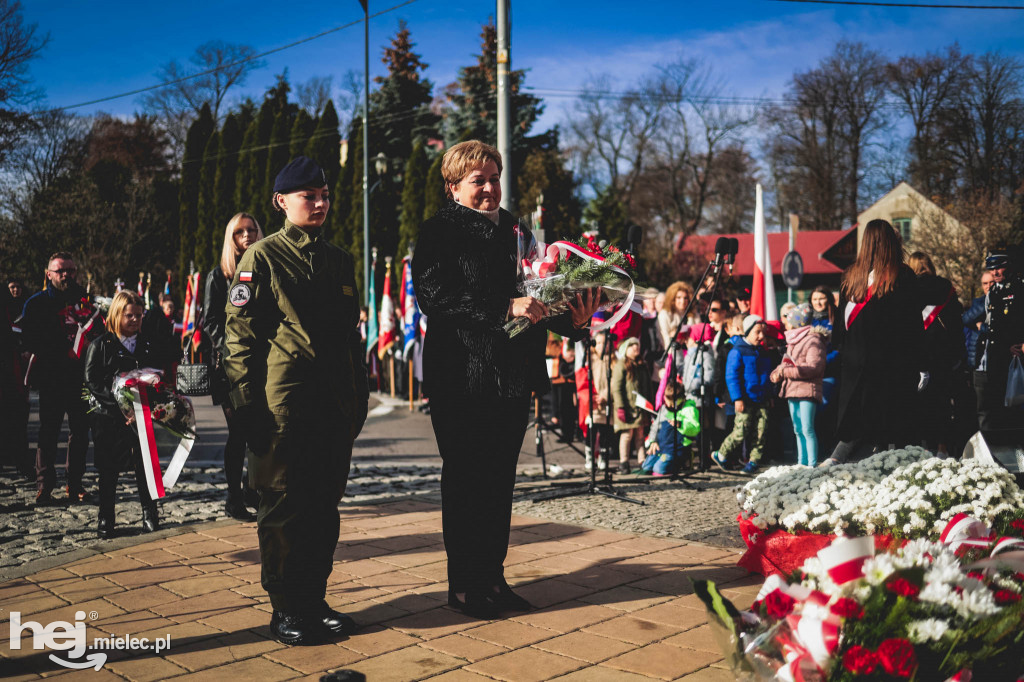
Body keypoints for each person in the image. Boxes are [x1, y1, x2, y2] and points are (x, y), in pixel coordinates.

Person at [412, 140, 598, 620]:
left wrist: (573, 318)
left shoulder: (518, 229)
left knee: (498, 483)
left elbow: (537, 295)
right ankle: (465, 587)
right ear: (454, 187)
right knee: (467, 482)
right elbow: (435, 297)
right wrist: (502, 308)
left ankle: (493, 579)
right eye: (479, 181)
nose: (490, 188)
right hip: (463, 377)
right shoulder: (438, 231)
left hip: (512, 376)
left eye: (494, 178)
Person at [224, 156, 369, 645]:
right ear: (282, 201)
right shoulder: (261, 258)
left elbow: (353, 337)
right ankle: (285, 607)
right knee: (283, 507)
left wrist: (359, 396)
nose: (321, 203)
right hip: (282, 403)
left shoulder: (340, 260)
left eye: (325, 194)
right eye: (310, 196)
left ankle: (313, 598)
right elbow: (239, 339)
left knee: (324, 506)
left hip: (333, 404)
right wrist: (246, 407)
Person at [822, 219, 925, 466]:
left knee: (856, 417)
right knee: (890, 423)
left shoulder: (850, 276)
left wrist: (844, 352)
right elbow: (911, 325)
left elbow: (840, 324)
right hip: (890, 363)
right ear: (891, 241)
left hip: (854, 360)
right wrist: (921, 363)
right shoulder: (902, 275)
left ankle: (838, 460)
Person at [20, 252, 102, 506]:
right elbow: (27, 341)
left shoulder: (88, 302)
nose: (66, 275)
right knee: (48, 433)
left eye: (70, 270)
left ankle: (74, 484)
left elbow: (99, 336)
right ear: (48, 274)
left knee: (80, 433)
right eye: (60, 271)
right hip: (52, 378)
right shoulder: (35, 304)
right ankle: (44, 486)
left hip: (81, 378)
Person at [83, 292, 165, 538]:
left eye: (139, 315)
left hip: (141, 416)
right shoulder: (100, 345)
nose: (134, 320)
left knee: (145, 466)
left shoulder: (148, 343)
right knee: (108, 470)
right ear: (117, 314)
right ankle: (106, 518)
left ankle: (150, 514)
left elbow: (158, 375)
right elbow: (91, 381)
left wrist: (156, 402)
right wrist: (120, 406)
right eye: (129, 315)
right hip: (108, 416)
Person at [204, 213, 264, 520]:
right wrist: (234, 351)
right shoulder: (219, 276)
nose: (247, 235)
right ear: (231, 237)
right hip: (229, 369)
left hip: (263, 365)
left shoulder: (265, 270)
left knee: (260, 431)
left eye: (252, 229)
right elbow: (210, 322)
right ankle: (234, 498)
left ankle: (253, 488)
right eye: (240, 231)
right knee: (238, 432)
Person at [909, 251, 968, 455]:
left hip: (918, 355)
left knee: (921, 404)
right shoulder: (946, 288)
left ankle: (925, 447)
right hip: (944, 354)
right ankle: (943, 447)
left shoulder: (909, 288)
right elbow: (957, 322)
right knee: (943, 403)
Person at [971, 244, 1024, 443]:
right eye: (991, 268)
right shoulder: (993, 292)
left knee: (1015, 413)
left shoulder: (1020, 287)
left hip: (1016, 360)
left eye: (999, 267)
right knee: (995, 411)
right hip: (997, 359)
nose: (994, 272)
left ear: (1008, 265)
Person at [712, 315, 773, 474]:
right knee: (741, 431)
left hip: (762, 399)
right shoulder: (737, 351)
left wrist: (770, 394)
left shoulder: (763, 352)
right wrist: (737, 398)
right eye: (757, 332)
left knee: (761, 431)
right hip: (745, 399)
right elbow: (732, 376)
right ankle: (722, 454)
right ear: (747, 331)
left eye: (763, 333)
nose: (761, 336)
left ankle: (753, 461)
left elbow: (767, 375)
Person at [771, 304, 827, 467]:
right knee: (797, 430)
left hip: (807, 391)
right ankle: (800, 463)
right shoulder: (793, 341)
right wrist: (776, 373)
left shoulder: (814, 340)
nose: (785, 323)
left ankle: (811, 464)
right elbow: (786, 363)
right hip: (792, 390)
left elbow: (814, 368)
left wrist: (786, 372)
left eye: (789, 319)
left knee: (807, 429)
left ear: (797, 322)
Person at [611, 336, 653, 474]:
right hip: (627, 407)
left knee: (640, 435)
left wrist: (650, 404)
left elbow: (648, 386)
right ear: (625, 349)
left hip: (640, 407)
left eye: (637, 345)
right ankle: (624, 462)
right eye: (632, 345)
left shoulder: (642, 365)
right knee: (627, 435)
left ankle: (642, 461)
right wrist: (621, 407)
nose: (636, 347)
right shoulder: (621, 365)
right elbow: (616, 387)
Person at [582, 330, 613, 472]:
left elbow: (614, 382)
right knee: (591, 430)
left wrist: (605, 396)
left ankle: (603, 457)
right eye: (598, 342)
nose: (601, 346)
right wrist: (593, 396)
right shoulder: (590, 360)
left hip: (607, 402)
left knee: (605, 431)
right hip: (593, 402)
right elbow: (585, 379)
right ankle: (589, 457)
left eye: (604, 342)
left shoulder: (613, 361)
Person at [658, 281, 695, 349]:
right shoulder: (665, 314)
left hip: (690, 350)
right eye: (678, 297)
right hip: (673, 351)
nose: (682, 301)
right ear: (672, 298)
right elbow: (665, 337)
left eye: (685, 298)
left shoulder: (693, 314)